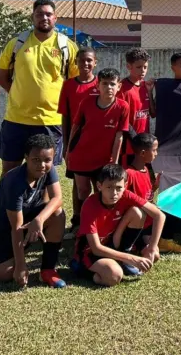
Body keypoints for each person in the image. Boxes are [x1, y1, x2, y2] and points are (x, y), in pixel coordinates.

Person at [0, 0, 79, 176]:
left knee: (45, 174)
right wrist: (19, 94)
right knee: (10, 171)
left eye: (48, 14)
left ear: (55, 18)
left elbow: (75, 84)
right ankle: (8, 204)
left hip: (51, 121)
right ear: (32, 17)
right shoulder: (16, 43)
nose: (44, 17)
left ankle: (43, 205)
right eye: (39, 14)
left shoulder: (67, 47)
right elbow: (3, 77)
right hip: (16, 119)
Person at [0, 134, 67, 288]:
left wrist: (39, 220)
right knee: (5, 274)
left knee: (58, 213)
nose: (42, 165)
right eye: (36, 160)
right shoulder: (14, 182)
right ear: (26, 157)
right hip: (4, 227)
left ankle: (48, 269)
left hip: (29, 216)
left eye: (47, 160)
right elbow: (16, 228)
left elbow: (57, 198)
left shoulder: (49, 170)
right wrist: (21, 266)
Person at [74, 164, 165, 286]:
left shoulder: (126, 194)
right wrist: (131, 258)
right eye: (109, 187)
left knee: (137, 213)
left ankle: (123, 258)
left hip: (113, 244)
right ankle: (83, 269)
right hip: (90, 252)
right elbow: (96, 248)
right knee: (114, 275)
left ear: (125, 186)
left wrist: (152, 248)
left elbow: (159, 215)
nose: (114, 193)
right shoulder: (90, 205)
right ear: (99, 186)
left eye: (118, 188)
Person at [66, 68, 131, 237]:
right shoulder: (86, 102)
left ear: (119, 86)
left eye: (112, 84)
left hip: (104, 160)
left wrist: (114, 163)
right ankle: (80, 226)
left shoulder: (123, 107)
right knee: (82, 191)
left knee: (101, 193)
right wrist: (68, 151)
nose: (108, 87)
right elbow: (75, 127)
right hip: (81, 156)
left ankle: (99, 226)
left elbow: (119, 137)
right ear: (98, 85)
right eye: (105, 83)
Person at [57, 48, 100, 238]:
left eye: (89, 61)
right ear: (76, 62)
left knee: (99, 184)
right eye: (82, 61)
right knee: (79, 185)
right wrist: (67, 146)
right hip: (77, 145)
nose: (86, 64)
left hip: (100, 144)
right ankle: (77, 222)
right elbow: (65, 118)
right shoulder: (68, 86)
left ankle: (97, 223)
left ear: (95, 62)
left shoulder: (102, 84)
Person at [127, 133, 181, 253]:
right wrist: (147, 206)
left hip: (151, 216)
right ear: (143, 153)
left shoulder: (145, 170)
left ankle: (162, 239)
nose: (156, 154)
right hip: (143, 219)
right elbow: (126, 199)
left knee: (179, 212)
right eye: (154, 150)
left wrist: (155, 186)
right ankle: (157, 241)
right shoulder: (129, 173)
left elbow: (146, 193)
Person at [118, 48, 155, 163]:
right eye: (139, 67)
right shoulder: (122, 88)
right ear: (129, 66)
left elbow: (153, 114)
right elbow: (121, 119)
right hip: (129, 145)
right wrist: (135, 139)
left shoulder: (146, 86)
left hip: (145, 144)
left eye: (145, 67)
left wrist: (150, 92)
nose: (143, 71)